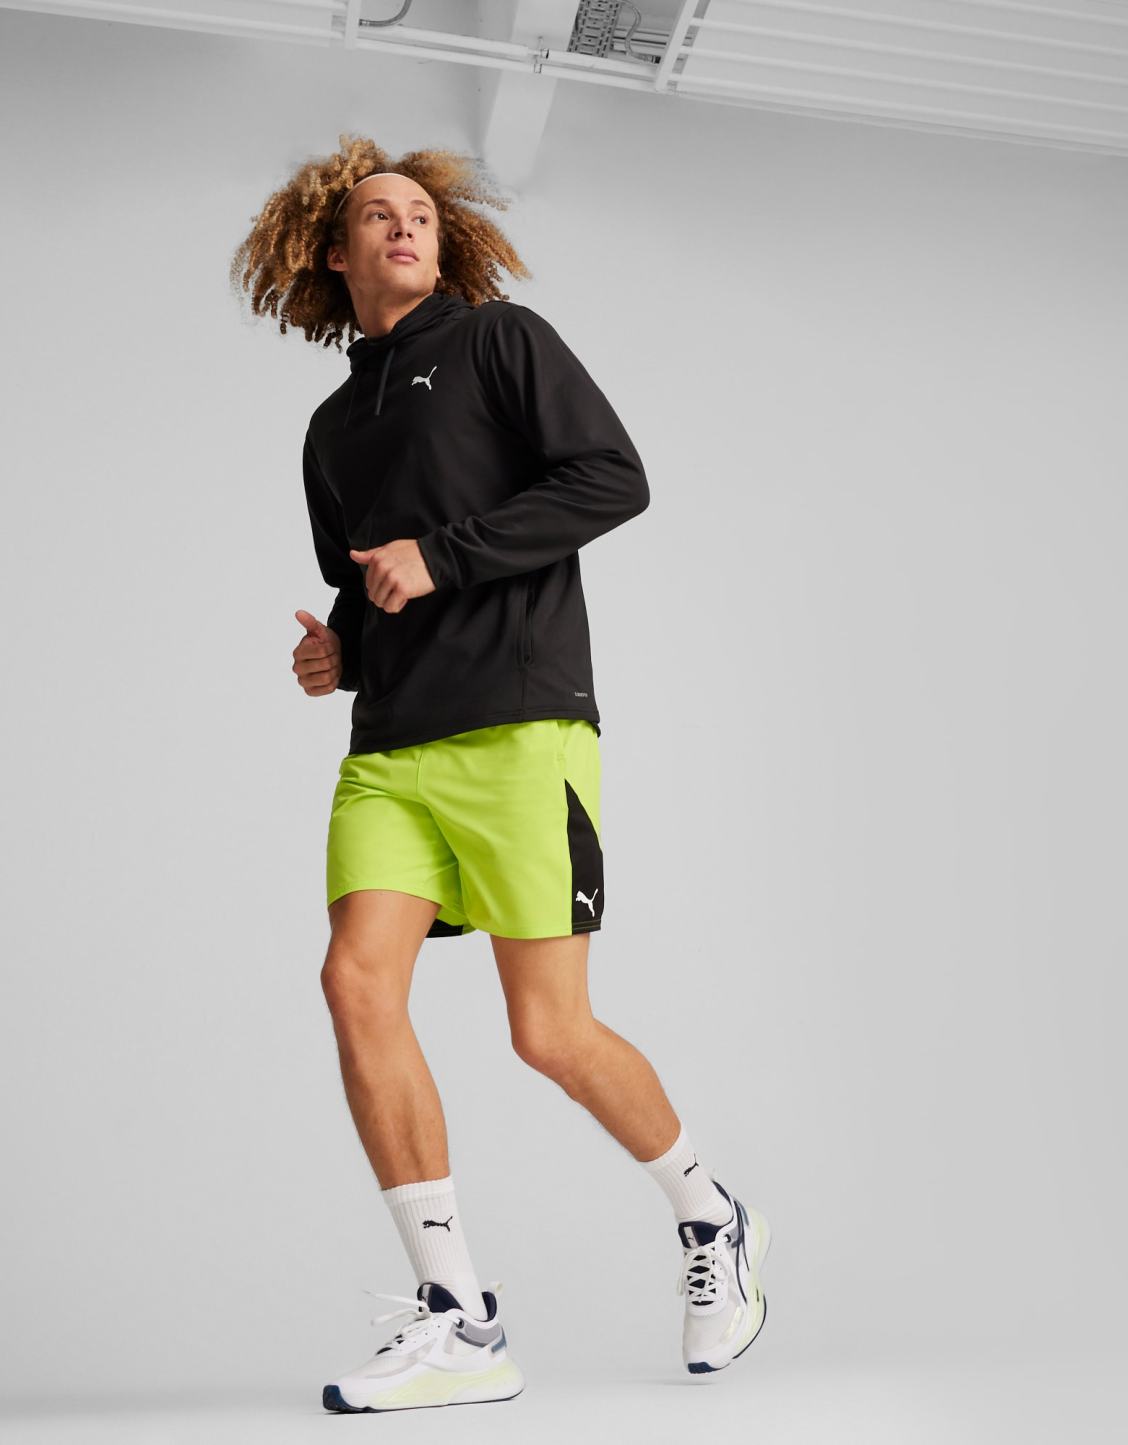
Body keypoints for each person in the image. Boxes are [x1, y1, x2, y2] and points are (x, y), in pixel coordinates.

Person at [230, 134, 770, 1413]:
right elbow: (364, 581)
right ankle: (457, 1317)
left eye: (421, 213)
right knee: (353, 983)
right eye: (378, 214)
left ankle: (710, 1215)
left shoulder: (498, 342)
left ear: (446, 241)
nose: (405, 225)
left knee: (548, 1032)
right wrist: (337, 652)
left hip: (520, 726)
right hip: (389, 752)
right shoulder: (330, 428)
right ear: (331, 250)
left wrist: (444, 556)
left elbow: (611, 478)